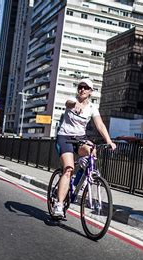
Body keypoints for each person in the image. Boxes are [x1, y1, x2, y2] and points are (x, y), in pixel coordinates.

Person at [53, 78, 116, 217]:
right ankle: (58, 205)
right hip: (64, 137)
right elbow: (68, 103)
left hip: (79, 139)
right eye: (80, 87)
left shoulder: (92, 108)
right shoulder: (72, 100)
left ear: (90, 92)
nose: (82, 89)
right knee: (68, 168)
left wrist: (109, 141)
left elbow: (100, 125)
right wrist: (75, 104)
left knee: (93, 150)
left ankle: (78, 183)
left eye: (86, 88)